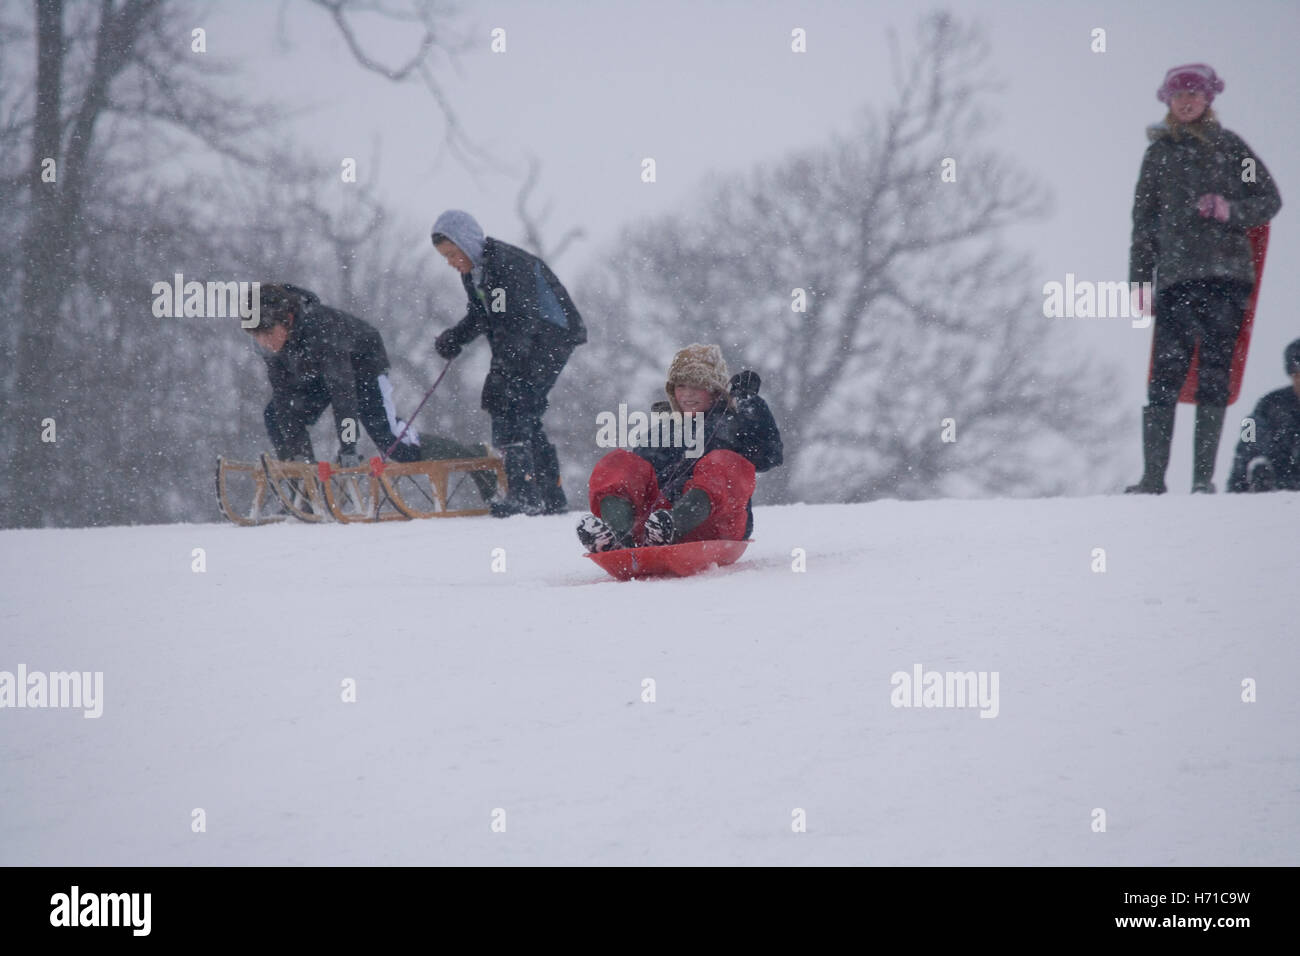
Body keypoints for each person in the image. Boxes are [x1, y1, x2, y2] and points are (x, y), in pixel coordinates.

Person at [1125, 64, 1282, 494]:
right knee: (1164, 376)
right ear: (1168, 102)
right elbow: (1144, 223)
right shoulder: (1158, 156)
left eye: (1194, 94)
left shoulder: (1232, 149)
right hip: (1176, 280)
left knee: (1215, 373)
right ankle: (1153, 478)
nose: (1186, 101)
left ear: (1209, 99)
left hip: (1226, 278)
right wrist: (1139, 282)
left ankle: (1201, 482)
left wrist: (1231, 210)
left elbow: (1268, 198)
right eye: (1178, 95)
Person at [430, 210, 586, 517]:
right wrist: (455, 338)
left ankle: (525, 496)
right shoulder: (476, 272)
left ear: (467, 242)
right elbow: (483, 315)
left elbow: (519, 323)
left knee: (513, 404)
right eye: (444, 257)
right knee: (521, 410)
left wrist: (501, 371)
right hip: (526, 339)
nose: (450, 262)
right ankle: (550, 497)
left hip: (550, 336)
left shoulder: (505, 265)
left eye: (452, 253)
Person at [577, 344, 782, 552]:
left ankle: (671, 526)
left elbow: (769, 455)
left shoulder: (734, 423)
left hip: (715, 524)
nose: (687, 394)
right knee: (620, 462)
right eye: (681, 386)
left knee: (724, 463)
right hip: (656, 523)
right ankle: (619, 534)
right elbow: (638, 475)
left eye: (697, 386)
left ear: (715, 390)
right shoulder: (666, 429)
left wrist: (750, 403)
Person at [243, 283, 426, 467]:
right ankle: (298, 470)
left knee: (388, 439)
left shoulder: (321, 330)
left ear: (288, 319)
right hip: (319, 375)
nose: (265, 342)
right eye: (257, 336)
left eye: (268, 333)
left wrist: (348, 447)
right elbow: (283, 397)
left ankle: (428, 449)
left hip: (363, 366)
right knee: (275, 416)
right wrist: (298, 454)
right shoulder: (272, 349)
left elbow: (343, 396)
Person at [1226, 339, 1300, 492]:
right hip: (1277, 479)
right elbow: (1247, 439)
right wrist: (1238, 482)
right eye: (1297, 375)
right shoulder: (1271, 403)